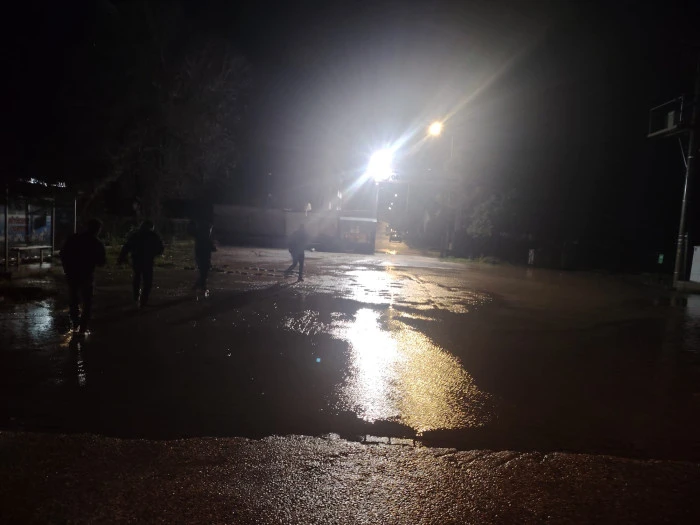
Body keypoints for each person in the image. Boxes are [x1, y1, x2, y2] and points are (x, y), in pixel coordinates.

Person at [60, 218, 107, 335]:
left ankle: (75, 321)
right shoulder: (97, 243)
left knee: (74, 298)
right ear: (98, 229)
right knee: (87, 301)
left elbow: (63, 253)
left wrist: (66, 268)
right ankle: (83, 328)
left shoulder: (74, 238)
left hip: (72, 273)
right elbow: (101, 262)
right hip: (86, 275)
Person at [118, 220, 164, 307]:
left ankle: (136, 296)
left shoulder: (136, 235)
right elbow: (160, 248)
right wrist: (154, 253)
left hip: (137, 259)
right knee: (147, 281)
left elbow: (126, 246)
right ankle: (144, 299)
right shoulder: (153, 235)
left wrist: (121, 257)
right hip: (148, 260)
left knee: (137, 277)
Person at [193, 221, 216, 297]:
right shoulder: (205, 237)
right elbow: (211, 247)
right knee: (204, 272)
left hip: (200, 256)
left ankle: (200, 285)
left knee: (203, 271)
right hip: (204, 256)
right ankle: (200, 286)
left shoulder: (200, 237)